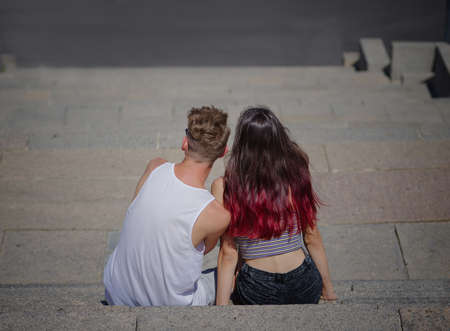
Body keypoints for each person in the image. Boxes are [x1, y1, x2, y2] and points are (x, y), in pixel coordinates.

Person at [103, 106, 231, 306]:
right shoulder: (216, 214)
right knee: (236, 272)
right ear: (223, 152)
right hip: (173, 304)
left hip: (115, 291)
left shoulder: (154, 167)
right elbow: (204, 249)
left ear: (184, 142)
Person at [212, 107, 337, 305]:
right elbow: (312, 237)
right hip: (303, 282)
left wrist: (222, 306)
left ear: (242, 143)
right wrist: (328, 289)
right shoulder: (295, 175)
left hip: (256, 286)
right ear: (279, 139)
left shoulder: (225, 186)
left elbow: (229, 252)